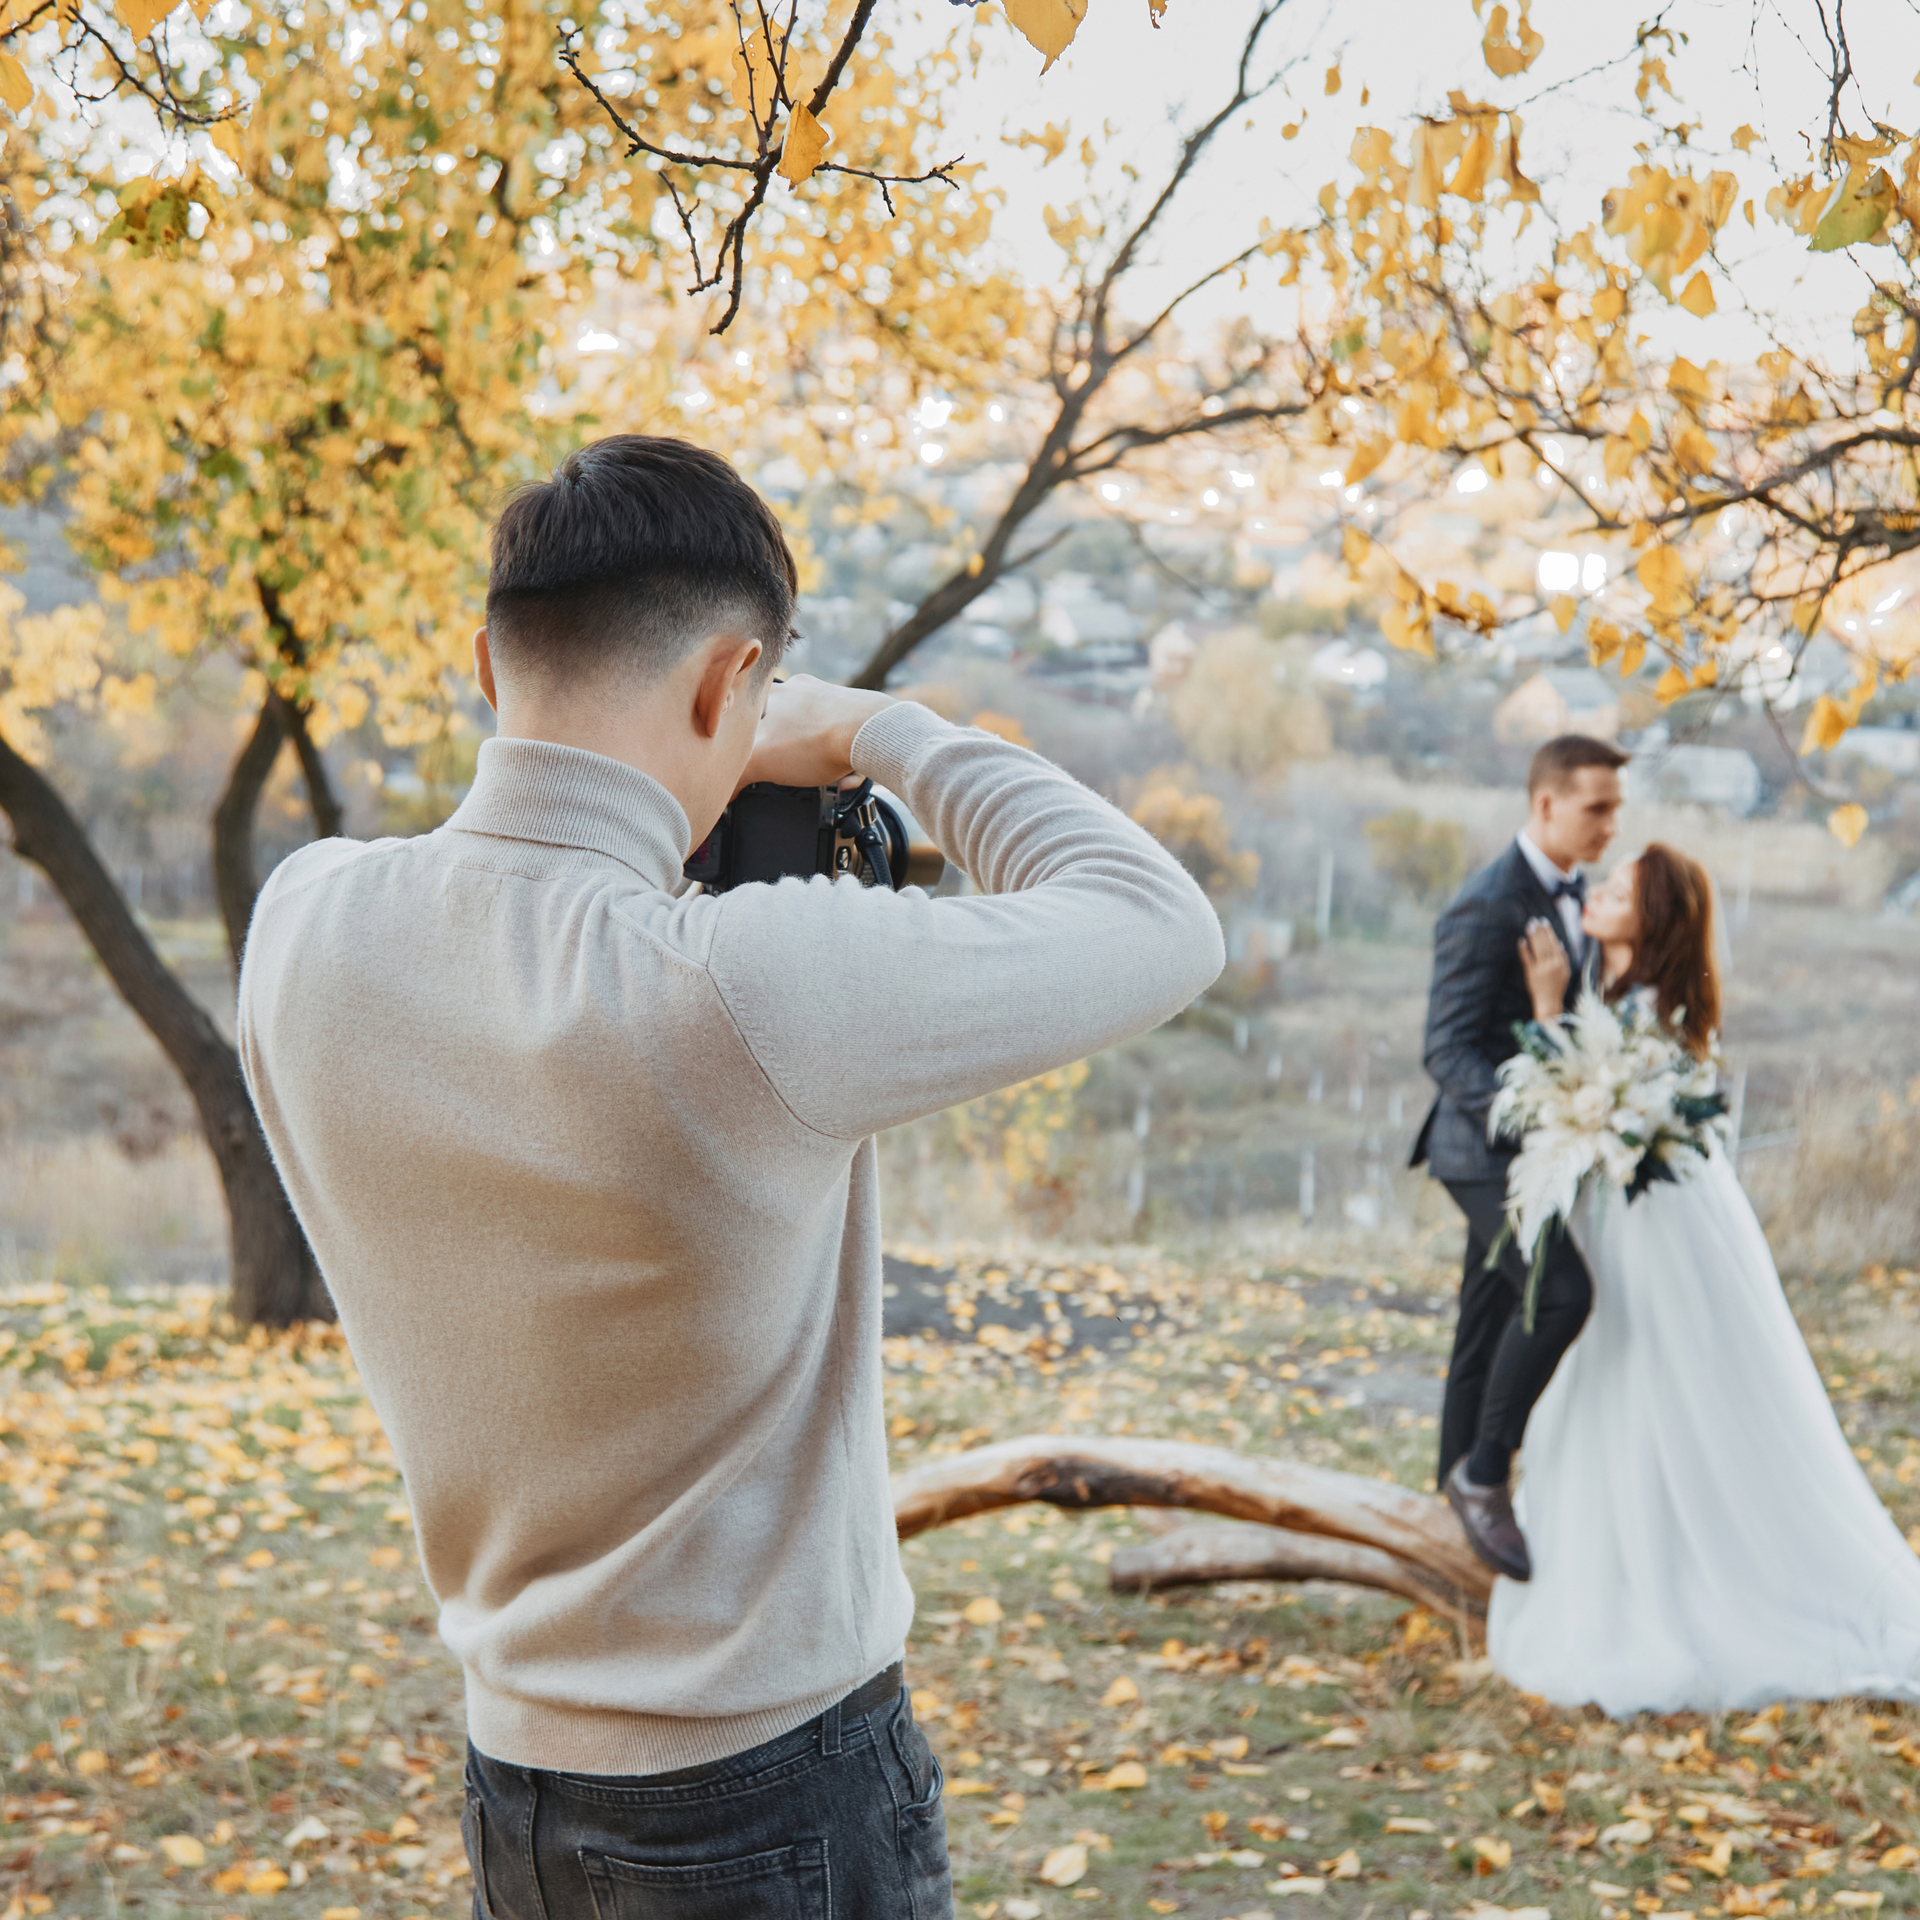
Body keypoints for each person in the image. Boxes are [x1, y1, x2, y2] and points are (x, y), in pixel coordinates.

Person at [235, 435, 1224, 1920]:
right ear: (729, 685)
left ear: (488, 671)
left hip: (517, 1791)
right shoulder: (742, 986)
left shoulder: (303, 926)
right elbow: (1160, 922)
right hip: (774, 1785)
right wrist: (884, 731)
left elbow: (514, 883)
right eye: (753, 698)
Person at [1489, 844, 1920, 1712]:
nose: (1599, 896)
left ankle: (1682, 1584)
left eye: (1619, 891)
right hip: (1626, 1212)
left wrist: (1543, 1013)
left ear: (1652, 918)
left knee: (1659, 1378)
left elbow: (1591, 1095)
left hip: (1660, 1223)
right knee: (1611, 1381)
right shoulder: (1615, 990)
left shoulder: (1654, 1006)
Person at [1411, 733, 1627, 1580]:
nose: (1611, 825)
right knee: (1560, 1293)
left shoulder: (1576, 894)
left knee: (1486, 1319)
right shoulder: (1485, 903)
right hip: (1482, 1153)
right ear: (1546, 804)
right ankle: (1484, 1474)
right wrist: (1534, 1114)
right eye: (1596, 807)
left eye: (1615, 808)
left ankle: (1446, 1505)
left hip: (1537, 1153)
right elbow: (1447, 1049)